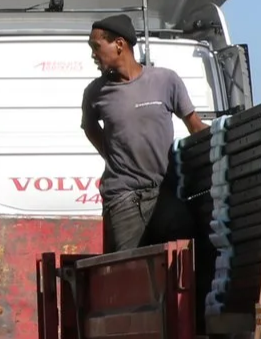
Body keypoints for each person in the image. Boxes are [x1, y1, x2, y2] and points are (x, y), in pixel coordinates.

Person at [82, 13, 206, 252]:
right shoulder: (95, 93)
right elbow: (89, 128)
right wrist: (113, 156)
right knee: (127, 273)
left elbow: (195, 126)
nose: (92, 55)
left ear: (119, 44)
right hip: (123, 199)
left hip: (162, 194)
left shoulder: (165, 81)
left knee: (186, 255)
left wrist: (225, 139)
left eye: (96, 47)